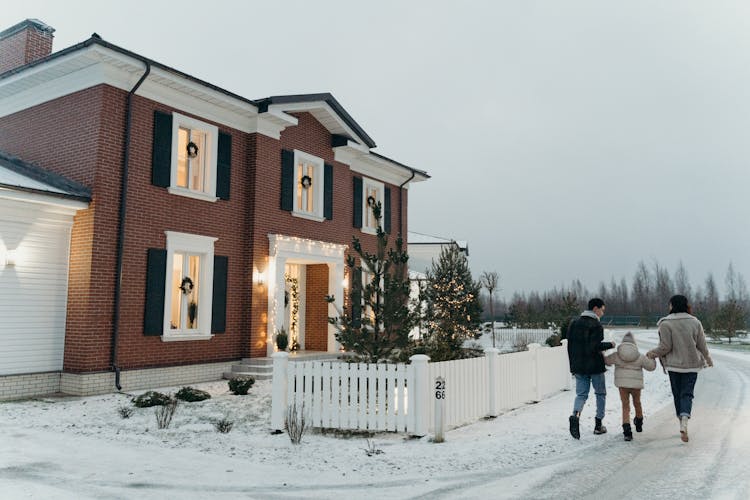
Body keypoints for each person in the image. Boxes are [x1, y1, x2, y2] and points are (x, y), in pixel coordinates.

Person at [646, 295, 713, 442]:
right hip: (692, 365)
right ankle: (685, 419)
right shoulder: (695, 322)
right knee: (687, 394)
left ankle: (681, 421)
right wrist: (708, 359)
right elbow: (702, 345)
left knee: (677, 394)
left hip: (674, 366)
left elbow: (665, 347)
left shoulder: (665, 323)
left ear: (672, 305)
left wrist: (652, 353)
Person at [566, 298, 615, 439]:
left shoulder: (574, 323)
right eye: (602, 310)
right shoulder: (596, 325)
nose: (602, 313)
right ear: (595, 309)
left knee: (581, 394)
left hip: (579, 366)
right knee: (600, 393)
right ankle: (598, 424)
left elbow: (570, 346)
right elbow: (594, 346)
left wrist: (573, 365)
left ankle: (575, 415)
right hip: (595, 366)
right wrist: (610, 345)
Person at [604, 331, 656, 441]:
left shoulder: (617, 355)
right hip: (636, 386)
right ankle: (639, 422)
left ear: (623, 343)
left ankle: (627, 430)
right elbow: (651, 367)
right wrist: (652, 358)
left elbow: (607, 361)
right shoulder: (639, 356)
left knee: (625, 406)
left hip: (622, 385)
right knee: (637, 403)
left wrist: (602, 353)